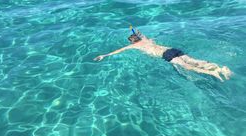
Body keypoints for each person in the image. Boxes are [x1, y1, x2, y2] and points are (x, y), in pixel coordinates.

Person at [93, 28, 232, 81]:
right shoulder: (145, 39)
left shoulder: (134, 45)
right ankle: (219, 68)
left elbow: (119, 51)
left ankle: (213, 73)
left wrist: (104, 55)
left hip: (167, 56)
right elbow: (140, 33)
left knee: (188, 67)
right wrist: (136, 32)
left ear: (132, 42)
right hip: (173, 49)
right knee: (195, 61)